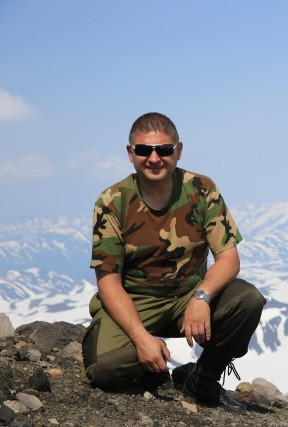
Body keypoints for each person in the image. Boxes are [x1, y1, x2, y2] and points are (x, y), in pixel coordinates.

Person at [82, 112, 265, 413]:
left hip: (188, 298)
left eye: (164, 150)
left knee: (248, 301)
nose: (154, 158)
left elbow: (229, 259)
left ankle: (201, 380)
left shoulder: (202, 189)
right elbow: (108, 281)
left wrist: (201, 296)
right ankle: (154, 372)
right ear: (130, 154)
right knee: (106, 369)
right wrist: (141, 338)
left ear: (178, 151)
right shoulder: (112, 202)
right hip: (136, 301)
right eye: (144, 150)